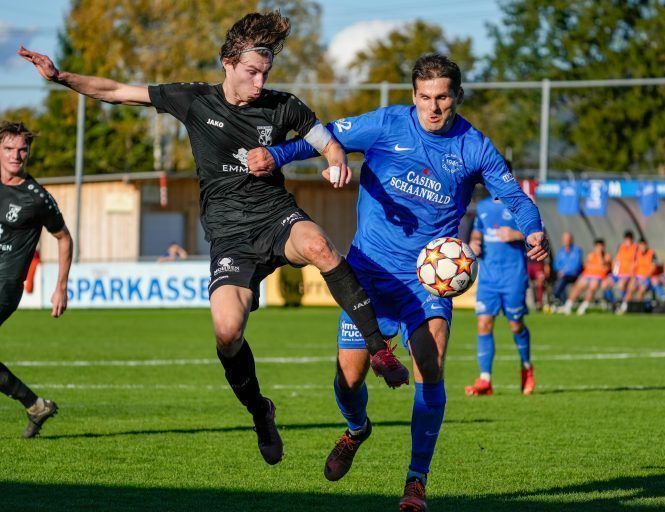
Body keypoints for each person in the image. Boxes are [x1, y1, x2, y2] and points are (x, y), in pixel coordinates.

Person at [19, 10, 410, 465]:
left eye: (265, 73)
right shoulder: (193, 100)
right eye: (251, 72)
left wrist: (337, 162)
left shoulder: (284, 105)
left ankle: (378, 350)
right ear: (227, 63)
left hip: (276, 217)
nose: (260, 82)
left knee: (321, 246)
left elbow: (328, 142)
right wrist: (61, 77)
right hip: (229, 237)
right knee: (227, 334)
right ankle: (261, 411)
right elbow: (116, 91)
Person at [250, 53, 548, 512]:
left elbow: (513, 195)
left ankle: (416, 481)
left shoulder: (474, 147)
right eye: (425, 97)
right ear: (414, 95)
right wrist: (276, 155)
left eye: (443, 97)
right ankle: (357, 429)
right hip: (368, 274)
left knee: (431, 361)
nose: (434, 107)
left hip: (427, 281)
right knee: (349, 377)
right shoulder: (386, 124)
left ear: (457, 96)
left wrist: (533, 228)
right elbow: (324, 137)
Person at [0, 121, 73, 437]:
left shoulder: (37, 197)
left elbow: (64, 238)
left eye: (22, 150)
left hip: (5, 284)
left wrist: (60, 287)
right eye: (8, 149)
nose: (15, 156)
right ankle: (35, 405)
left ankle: (33, 404)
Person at [464, 198, 534, 397]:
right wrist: (474, 242)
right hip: (488, 278)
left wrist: (517, 234)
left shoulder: (522, 205)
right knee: (483, 324)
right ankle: (485, 379)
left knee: (516, 325)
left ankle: (526, 367)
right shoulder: (483, 206)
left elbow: (539, 235)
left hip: (513, 276)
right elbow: (477, 232)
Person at [560, 239, 611, 316]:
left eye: (601, 247)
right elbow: (586, 265)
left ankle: (583, 307)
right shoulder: (591, 255)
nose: (599, 248)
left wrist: (600, 255)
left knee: (592, 287)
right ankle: (568, 305)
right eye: (597, 247)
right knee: (577, 287)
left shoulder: (606, 256)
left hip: (598, 276)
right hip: (587, 275)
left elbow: (606, 267)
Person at [626, 238, 661, 306]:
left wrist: (644, 277)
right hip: (638, 277)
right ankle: (626, 307)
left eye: (644, 245)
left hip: (648, 278)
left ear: (647, 245)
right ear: (639, 246)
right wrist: (633, 277)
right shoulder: (637, 254)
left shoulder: (652, 253)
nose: (643, 247)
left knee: (640, 292)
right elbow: (632, 267)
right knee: (630, 289)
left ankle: (639, 307)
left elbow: (653, 268)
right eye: (641, 245)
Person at [552, 231, 582, 306]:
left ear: (571, 240)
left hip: (573, 275)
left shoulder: (576, 250)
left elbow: (577, 265)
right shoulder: (560, 251)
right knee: (560, 280)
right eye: (565, 239)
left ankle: (556, 297)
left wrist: (565, 271)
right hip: (562, 275)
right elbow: (556, 264)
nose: (566, 241)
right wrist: (560, 271)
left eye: (568, 239)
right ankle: (560, 301)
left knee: (562, 280)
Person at [611, 230, 638, 314]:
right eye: (626, 239)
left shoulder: (636, 248)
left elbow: (637, 261)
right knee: (605, 284)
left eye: (630, 239)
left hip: (630, 274)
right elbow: (616, 260)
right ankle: (613, 303)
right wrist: (614, 271)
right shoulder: (621, 247)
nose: (628, 241)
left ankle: (623, 305)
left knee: (625, 286)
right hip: (619, 273)